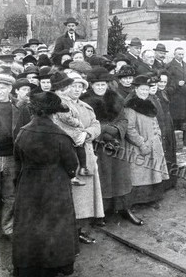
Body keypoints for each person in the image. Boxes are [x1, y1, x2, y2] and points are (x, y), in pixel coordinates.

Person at [12, 91, 79, 277]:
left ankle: (29, 275)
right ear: (54, 113)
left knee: (29, 229)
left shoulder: (23, 132)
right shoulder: (60, 135)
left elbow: (18, 160)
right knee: (53, 229)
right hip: (55, 188)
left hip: (28, 187)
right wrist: (66, 174)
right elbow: (72, 165)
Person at [80, 67, 144, 226]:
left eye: (103, 85)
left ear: (107, 85)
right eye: (97, 85)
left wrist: (116, 130)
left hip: (117, 143)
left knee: (121, 177)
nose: (100, 88)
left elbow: (123, 120)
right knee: (102, 177)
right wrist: (103, 131)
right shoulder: (84, 102)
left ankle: (124, 208)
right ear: (91, 85)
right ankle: (101, 212)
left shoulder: (116, 98)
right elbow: (85, 124)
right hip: (99, 146)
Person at [0, 74, 30, 248]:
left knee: (10, 195)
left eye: (2, 87)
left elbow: (26, 132)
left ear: (10, 89)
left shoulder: (20, 108)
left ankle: (8, 228)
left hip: (12, 157)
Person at [66, 71, 105, 244]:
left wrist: (87, 133)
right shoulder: (61, 105)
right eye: (73, 86)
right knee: (72, 194)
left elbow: (96, 124)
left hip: (87, 153)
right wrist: (77, 135)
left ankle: (79, 229)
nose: (76, 89)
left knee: (85, 195)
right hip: (69, 155)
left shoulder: (86, 107)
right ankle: (69, 231)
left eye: (79, 86)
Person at [124, 75, 170, 206]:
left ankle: (152, 199)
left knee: (154, 172)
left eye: (146, 89)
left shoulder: (150, 104)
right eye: (142, 90)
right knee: (140, 172)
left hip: (153, 143)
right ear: (136, 90)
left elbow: (155, 122)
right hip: (139, 146)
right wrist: (141, 144)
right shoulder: (130, 107)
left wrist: (158, 136)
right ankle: (138, 201)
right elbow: (130, 129)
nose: (144, 92)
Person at [50, 72, 89, 187]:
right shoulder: (61, 101)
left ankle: (81, 168)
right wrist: (78, 123)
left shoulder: (63, 99)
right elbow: (65, 117)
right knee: (77, 147)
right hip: (66, 131)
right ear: (64, 88)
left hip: (64, 130)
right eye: (69, 87)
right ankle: (78, 171)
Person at [156, 70, 178, 190]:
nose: (162, 84)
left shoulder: (164, 92)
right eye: (160, 81)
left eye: (165, 82)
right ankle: (163, 182)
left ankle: (171, 180)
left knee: (169, 148)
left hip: (167, 122)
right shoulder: (155, 94)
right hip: (160, 123)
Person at [165, 47, 186, 130]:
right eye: (179, 54)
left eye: (182, 54)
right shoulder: (169, 66)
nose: (181, 56)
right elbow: (167, 82)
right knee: (176, 125)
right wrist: (177, 83)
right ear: (174, 55)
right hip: (176, 100)